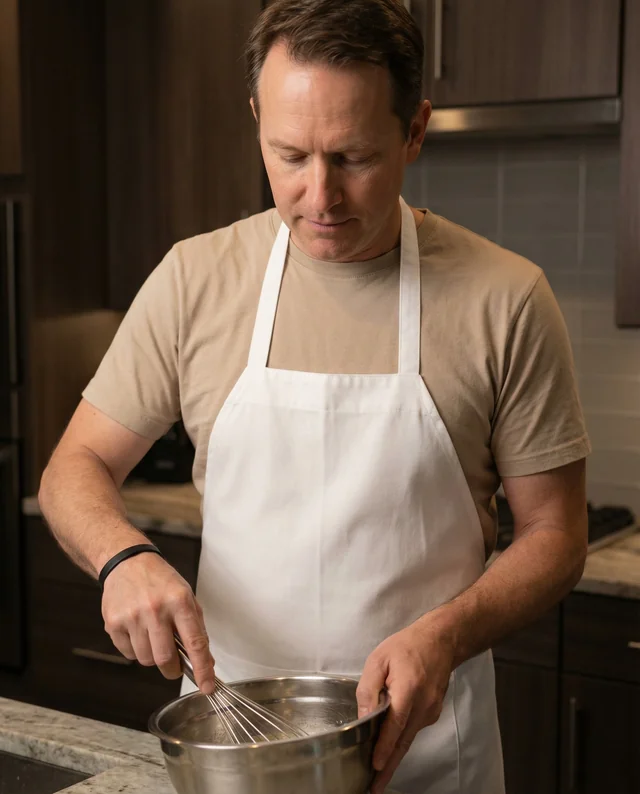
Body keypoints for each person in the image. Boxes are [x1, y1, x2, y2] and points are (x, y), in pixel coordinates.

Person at [38, 1, 591, 791]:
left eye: (354, 157)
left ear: (414, 130)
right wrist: (122, 558)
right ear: (257, 117)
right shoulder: (197, 280)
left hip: (426, 751)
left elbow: (556, 534)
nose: (320, 196)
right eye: (290, 155)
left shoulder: (505, 298)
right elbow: (74, 466)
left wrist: (447, 633)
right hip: (236, 750)